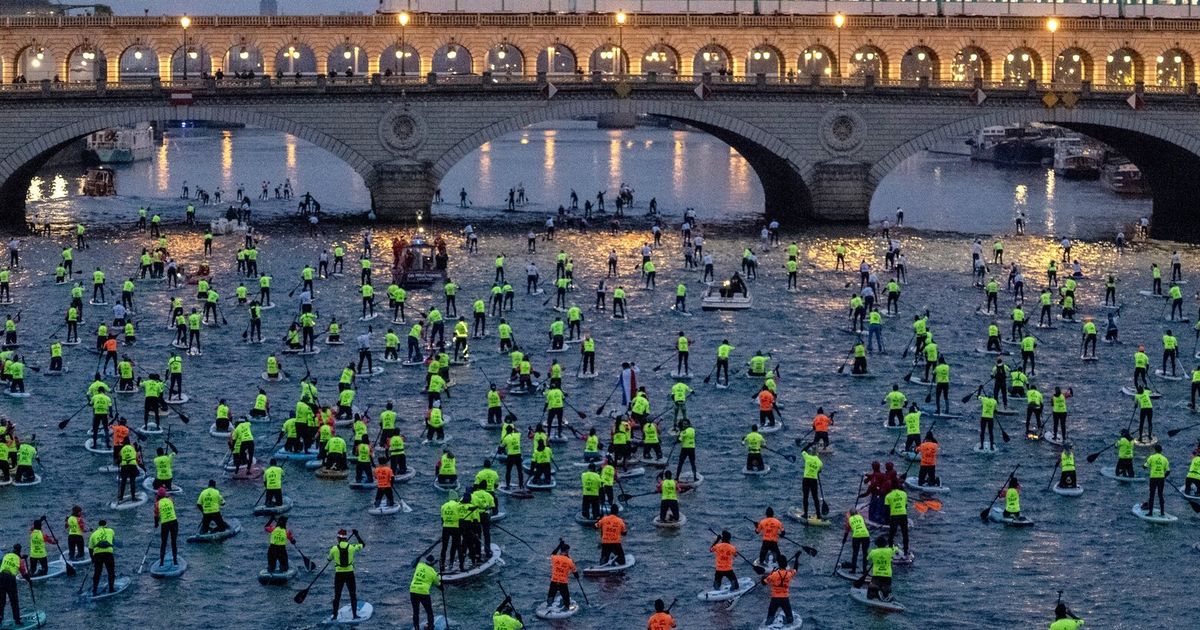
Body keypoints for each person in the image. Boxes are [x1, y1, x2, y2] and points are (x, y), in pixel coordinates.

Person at [329, 529, 365, 620]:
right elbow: (362, 545)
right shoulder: (352, 547)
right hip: (349, 574)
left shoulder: (334, 549)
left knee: (337, 595)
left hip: (339, 575)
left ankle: (334, 616)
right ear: (345, 538)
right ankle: (355, 615)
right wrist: (356, 534)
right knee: (352, 595)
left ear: (338, 539)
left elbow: (328, 559)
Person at [761, 558, 797, 626]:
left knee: (770, 617)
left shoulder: (774, 574)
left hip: (775, 599)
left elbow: (764, 583)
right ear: (786, 565)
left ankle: (768, 625)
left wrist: (764, 577)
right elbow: (795, 569)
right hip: (785, 599)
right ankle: (788, 623)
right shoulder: (789, 574)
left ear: (779, 565)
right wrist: (797, 559)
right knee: (790, 618)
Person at [410, 554, 441, 630]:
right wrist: (441, 587)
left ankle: (416, 628)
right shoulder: (433, 573)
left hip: (413, 590)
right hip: (423, 592)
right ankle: (430, 627)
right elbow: (438, 584)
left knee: (415, 612)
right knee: (429, 612)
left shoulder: (419, 565)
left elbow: (413, 564)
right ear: (433, 563)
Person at [545, 539, 578, 610]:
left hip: (554, 580)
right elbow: (575, 571)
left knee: (551, 594)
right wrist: (577, 576)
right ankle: (566, 606)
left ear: (561, 550)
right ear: (567, 551)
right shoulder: (570, 561)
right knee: (566, 596)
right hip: (563, 582)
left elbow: (553, 553)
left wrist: (559, 546)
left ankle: (549, 605)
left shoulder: (554, 558)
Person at [865, 535, 898, 601]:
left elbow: (867, 558)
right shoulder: (889, 551)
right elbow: (896, 549)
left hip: (876, 575)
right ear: (885, 544)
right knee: (886, 589)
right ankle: (886, 595)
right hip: (887, 576)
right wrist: (892, 546)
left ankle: (877, 593)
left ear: (876, 544)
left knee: (870, 595)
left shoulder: (873, 552)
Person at [88, 518, 116, 595]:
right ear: (106, 524)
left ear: (98, 525)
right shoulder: (111, 531)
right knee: (111, 572)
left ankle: (94, 590)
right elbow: (113, 540)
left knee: (97, 573)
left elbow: (90, 548)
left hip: (97, 555)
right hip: (108, 554)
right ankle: (111, 589)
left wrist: (92, 558)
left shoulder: (93, 534)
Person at [153, 486, 179, 567]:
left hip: (165, 524)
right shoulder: (170, 500)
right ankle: (175, 561)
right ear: (165, 494)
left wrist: (156, 524)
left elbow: (156, 516)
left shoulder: (157, 504)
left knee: (163, 543)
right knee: (173, 542)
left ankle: (161, 563)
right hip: (174, 522)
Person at [841, 508, 871, 575]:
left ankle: (853, 570)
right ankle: (865, 570)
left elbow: (847, 531)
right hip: (866, 535)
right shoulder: (861, 517)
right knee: (865, 553)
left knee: (855, 554)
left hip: (856, 536)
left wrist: (844, 540)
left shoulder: (849, 520)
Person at [0, 544, 24, 626]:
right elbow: (23, 573)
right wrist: (29, 581)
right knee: (14, 600)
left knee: (1, 601)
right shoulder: (19, 560)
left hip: (1, 576)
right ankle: (17, 620)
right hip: (10, 578)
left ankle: (0, 619)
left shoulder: (6, 555)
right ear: (19, 551)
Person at [1144, 444, 1169, 517]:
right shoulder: (1165, 459)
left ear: (1155, 450)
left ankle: (1150, 512)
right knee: (1160, 495)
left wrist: (1146, 464)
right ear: (1161, 451)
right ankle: (1162, 513)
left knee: (1152, 495)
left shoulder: (1151, 457)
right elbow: (1168, 471)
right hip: (1161, 478)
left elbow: (1144, 467)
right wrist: (1164, 477)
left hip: (1153, 478)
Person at [799, 445, 823, 520]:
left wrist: (809, 444)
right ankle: (819, 515)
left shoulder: (807, 457)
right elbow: (820, 470)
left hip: (806, 479)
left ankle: (805, 514)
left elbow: (802, 451)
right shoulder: (820, 462)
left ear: (811, 452)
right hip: (814, 480)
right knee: (815, 498)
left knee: (805, 497)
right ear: (817, 454)